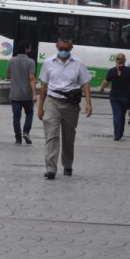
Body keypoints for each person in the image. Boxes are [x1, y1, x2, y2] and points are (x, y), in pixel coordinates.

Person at [37, 36, 92, 179]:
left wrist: (88, 103)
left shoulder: (78, 63)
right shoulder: (48, 62)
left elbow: (85, 83)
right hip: (52, 102)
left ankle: (67, 165)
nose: (63, 51)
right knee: (51, 135)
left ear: (71, 48)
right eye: (61, 49)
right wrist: (40, 107)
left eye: (66, 49)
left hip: (70, 105)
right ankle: (50, 168)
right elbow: (43, 86)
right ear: (56, 47)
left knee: (69, 137)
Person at [99, 53, 130, 141]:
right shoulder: (129, 70)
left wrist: (101, 89)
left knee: (116, 115)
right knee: (122, 115)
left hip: (114, 97)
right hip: (125, 96)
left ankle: (117, 134)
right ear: (124, 60)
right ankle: (120, 133)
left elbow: (106, 82)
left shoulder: (112, 71)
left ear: (116, 60)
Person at [7, 39, 37, 145]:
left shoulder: (11, 60)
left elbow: (8, 75)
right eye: (29, 47)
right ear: (26, 49)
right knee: (29, 113)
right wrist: (34, 94)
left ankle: (18, 139)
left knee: (16, 117)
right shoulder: (31, 62)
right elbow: (32, 78)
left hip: (15, 94)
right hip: (27, 95)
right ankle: (26, 131)